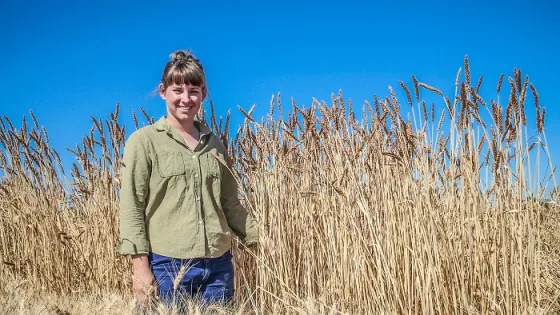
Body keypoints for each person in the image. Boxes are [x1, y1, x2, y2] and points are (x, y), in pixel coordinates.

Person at [116, 50, 259, 310]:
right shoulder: (144, 141)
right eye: (178, 90)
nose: (186, 98)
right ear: (163, 91)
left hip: (218, 265)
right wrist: (140, 268)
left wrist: (261, 239)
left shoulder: (215, 145)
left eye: (194, 90)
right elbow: (132, 207)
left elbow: (230, 203)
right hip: (168, 266)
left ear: (203, 94)